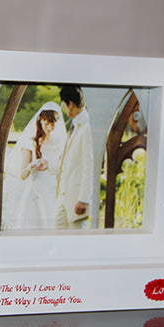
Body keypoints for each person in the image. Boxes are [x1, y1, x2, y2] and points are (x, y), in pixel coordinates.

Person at [3, 101, 66, 230]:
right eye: (46, 124)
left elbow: (63, 168)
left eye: (52, 124)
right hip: (35, 190)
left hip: (53, 190)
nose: (49, 128)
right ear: (40, 121)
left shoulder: (60, 143)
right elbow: (22, 175)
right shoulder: (30, 143)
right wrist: (31, 166)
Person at [55, 85, 93, 229]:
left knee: (77, 241)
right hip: (64, 197)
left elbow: (90, 166)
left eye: (64, 105)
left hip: (77, 199)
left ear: (70, 104)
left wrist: (83, 199)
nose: (64, 109)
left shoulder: (87, 128)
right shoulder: (75, 125)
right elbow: (68, 162)